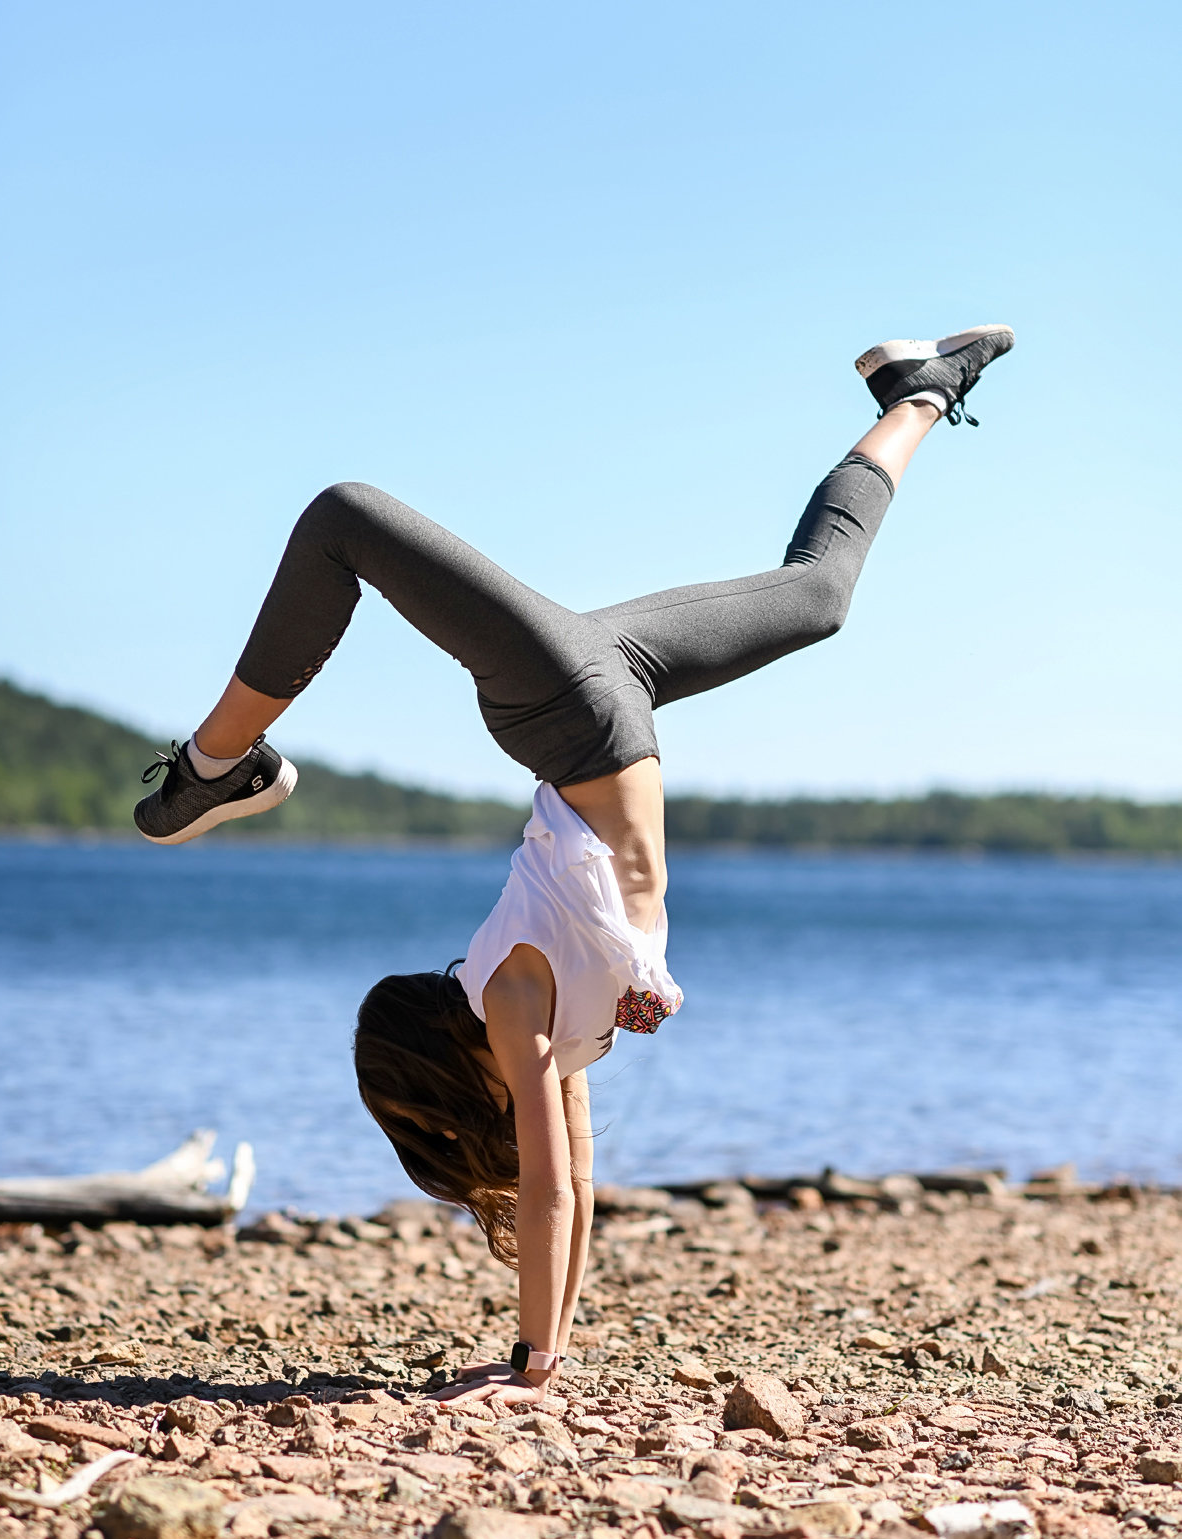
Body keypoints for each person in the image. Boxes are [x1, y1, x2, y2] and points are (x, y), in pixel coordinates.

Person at [135, 325, 1014, 1405]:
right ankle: (917, 391)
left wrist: (529, 1369)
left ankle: (215, 765)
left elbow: (545, 1190)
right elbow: (580, 1187)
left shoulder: (509, 996)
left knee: (342, 517)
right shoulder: (554, 1043)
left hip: (569, 712)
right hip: (614, 689)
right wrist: (543, 1364)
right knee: (821, 595)